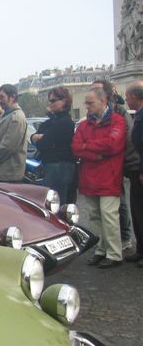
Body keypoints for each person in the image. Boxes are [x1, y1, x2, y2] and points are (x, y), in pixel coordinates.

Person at [72, 87, 127, 269]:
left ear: (103, 101)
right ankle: (102, 250)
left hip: (108, 177)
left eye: (90, 103)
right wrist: (96, 153)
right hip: (92, 176)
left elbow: (112, 145)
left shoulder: (117, 121)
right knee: (95, 216)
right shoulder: (85, 125)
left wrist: (88, 147)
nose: (86, 106)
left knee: (109, 216)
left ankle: (114, 253)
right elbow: (76, 147)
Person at [91, 80, 134, 250]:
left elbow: (126, 139)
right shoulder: (93, 114)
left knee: (120, 202)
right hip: (100, 166)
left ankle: (124, 237)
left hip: (117, 163)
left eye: (96, 90)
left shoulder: (119, 112)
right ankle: (107, 241)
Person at [30, 86, 77, 204]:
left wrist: (40, 138)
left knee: (56, 204)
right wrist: (37, 137)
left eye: (53, 101)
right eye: (49, 101)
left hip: (60, 167)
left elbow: (43, 143)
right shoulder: (52, 121)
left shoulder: (65, 122)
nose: (50, 104)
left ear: (64, 101)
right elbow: (35, 136)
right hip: (51, 165)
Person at [0, 84, 28, 183]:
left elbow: (8, 146)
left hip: (9, 174)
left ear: (12, 97)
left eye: (2, 97)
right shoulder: (7, 114)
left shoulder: (17, 117)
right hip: (3, 172)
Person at [124, 81, 143, 267]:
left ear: (135, 97)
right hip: (136, 169)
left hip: (140, 170)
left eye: (128, 96)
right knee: (137, 212)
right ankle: (140, 249)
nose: (126, 99)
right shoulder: (138, 115)